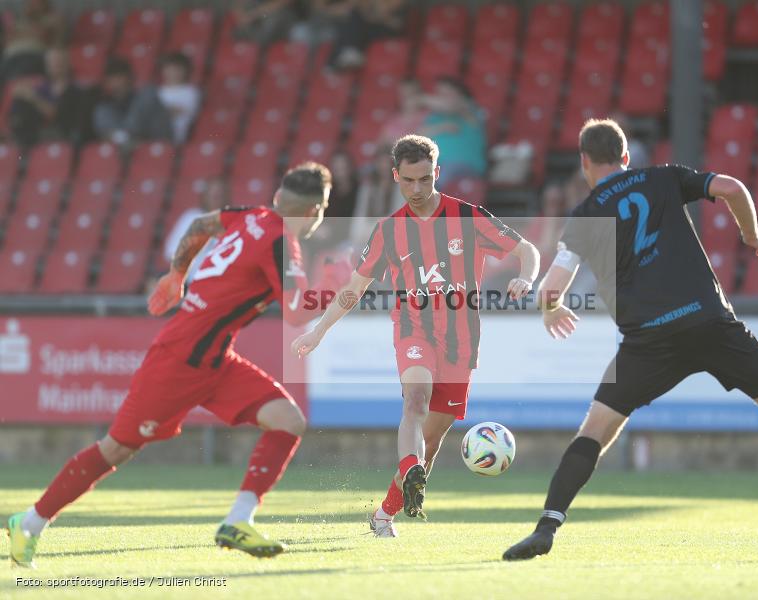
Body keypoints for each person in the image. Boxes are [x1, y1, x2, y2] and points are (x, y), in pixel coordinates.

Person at [502, 118, 758, 561]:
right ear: (626, 157)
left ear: (584, 162)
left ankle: (547, 526)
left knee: (595, 430)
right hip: (708, 322)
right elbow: (731, 187)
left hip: (647, 341)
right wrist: (752, 234)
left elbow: (551, 288)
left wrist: (552, 309)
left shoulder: (586, 214)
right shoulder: (664, 177)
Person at [6, 163, 351, 567]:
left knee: (288, 420)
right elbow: (295, 314)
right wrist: (333, 286)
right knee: (116, 449)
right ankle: (28, 522)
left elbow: (202, 224)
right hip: (179, 361)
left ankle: (238, 521)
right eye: (324, 208)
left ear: (277, 198)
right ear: (314, 210)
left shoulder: (249, 215)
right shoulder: (281, 242)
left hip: (215, 358)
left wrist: (176, 273)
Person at [292, 135, 539, 537]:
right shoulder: (389, 232)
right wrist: (319, 330)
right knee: (416, 400)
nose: (418, 189)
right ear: (396, 177)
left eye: (425, 179)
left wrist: (527, 276)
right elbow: (355, 287)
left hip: (461, 340)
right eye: (409, 181)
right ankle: (410, 471)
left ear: (437, 173)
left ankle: (384, 514)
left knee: (432, 438)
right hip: (413, 329)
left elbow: (526, 248)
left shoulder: (466, 217)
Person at [7, 45, 92, 146]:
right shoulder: (42, 88)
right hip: (35, 136)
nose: (55, 64)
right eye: (51, 61)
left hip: (63, 137)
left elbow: (55, 115)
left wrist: (32, 97)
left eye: (59, 61)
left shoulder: (75, 91)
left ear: (67, 63)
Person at [93, 56, 173, 147]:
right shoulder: (106, 106)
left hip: (153, 146)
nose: (116, 82)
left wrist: (125, 136)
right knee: (103, 109)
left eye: (119, 77)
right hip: (125, 148)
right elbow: (105, 132)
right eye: (112, 78)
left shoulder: (145, 97)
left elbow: (139, 128)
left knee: (147, 94)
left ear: (129, 78)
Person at [420, 77, 487, 184]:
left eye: (446, 93)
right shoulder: (434, 116)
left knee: (435, 177)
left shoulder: (469, 109)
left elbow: (451, 106)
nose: (440, 97)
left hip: (465, 166)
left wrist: (420, 98)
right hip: (435, 164)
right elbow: (418, 136)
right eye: (439, 93)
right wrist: (441, 128)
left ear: (459, 94)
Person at [0, 0, 65, 82]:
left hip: (33, 55)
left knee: (17, 77)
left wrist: (18, 34)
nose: (31, 5)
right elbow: (6, 40)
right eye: (29, 3)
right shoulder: (18, 22)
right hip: (9, 57)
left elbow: (45, 35)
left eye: (36, 3)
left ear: (45, 5)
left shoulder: (51, 19)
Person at [157, 52, 201, 144]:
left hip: (174, 132)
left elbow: (184, 112)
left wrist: (158, 110)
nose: (173, 72)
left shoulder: (190, 92)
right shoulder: (158, 91)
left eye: (177, 69)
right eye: (169, 68)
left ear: (185, 70)